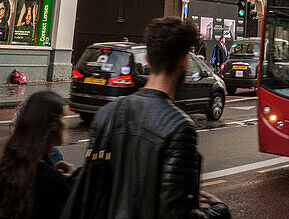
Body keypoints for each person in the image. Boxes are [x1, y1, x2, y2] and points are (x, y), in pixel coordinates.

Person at [86, 17, 229, 218]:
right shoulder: (179, 128)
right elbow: (176, 214)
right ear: (184, 61)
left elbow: (92, 190)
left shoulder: (106, 114)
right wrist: (219, 212)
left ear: (147, 59)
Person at [0, 91, 73, 219]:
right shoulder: (52, 179)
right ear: (54, 125)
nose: (66, 124)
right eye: (63, 117)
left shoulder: (12, 165)